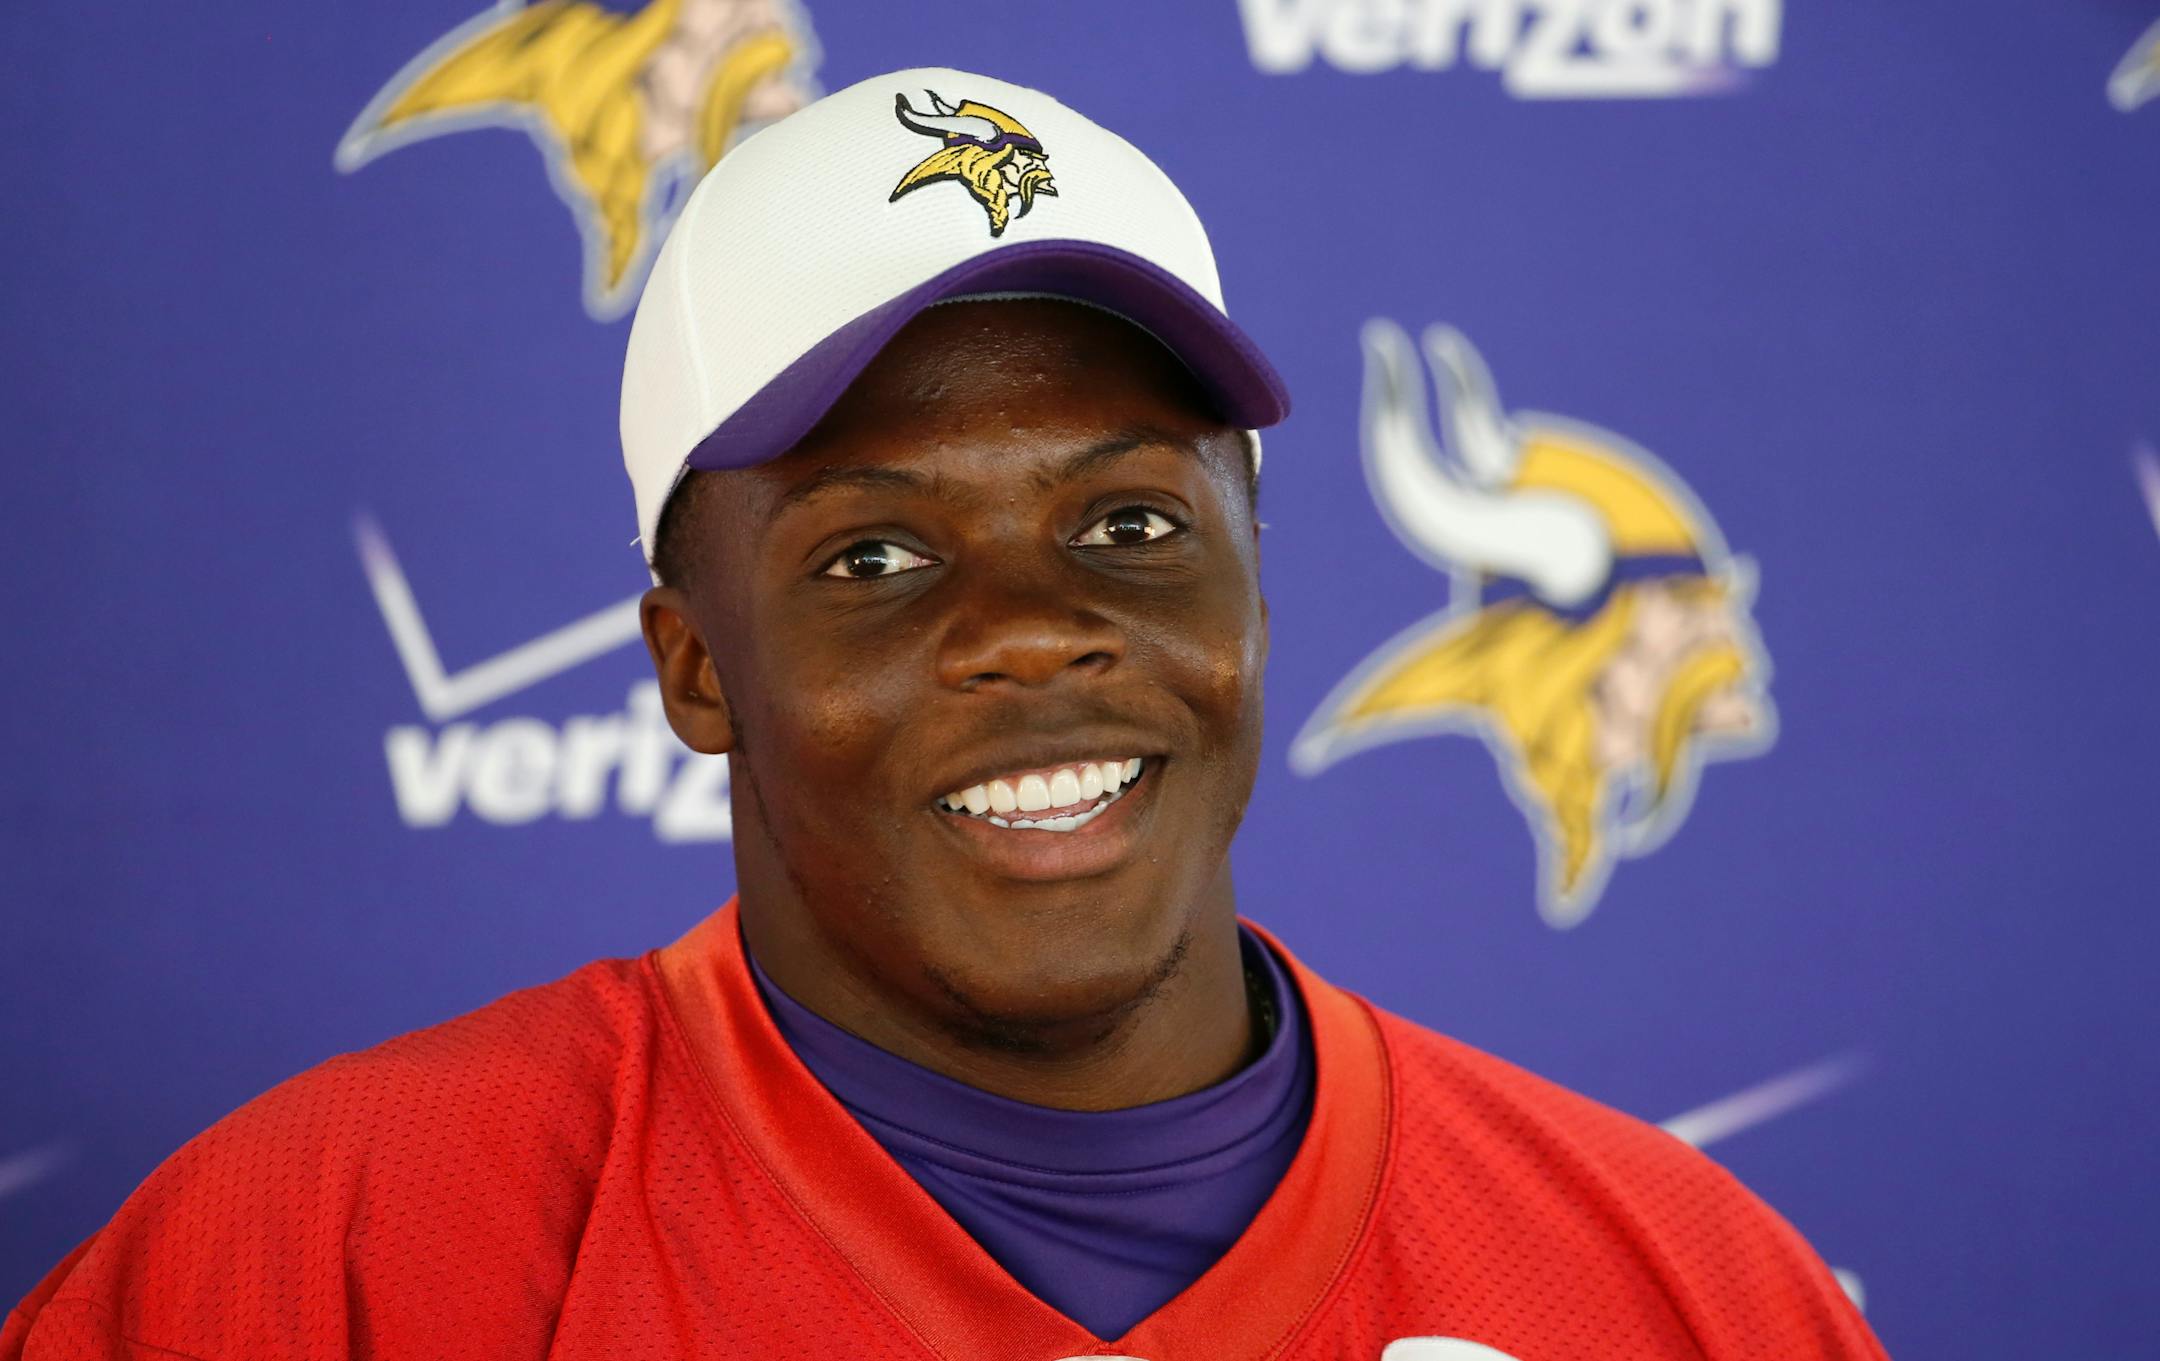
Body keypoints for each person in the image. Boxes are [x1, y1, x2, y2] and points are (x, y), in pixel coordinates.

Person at [2, 68, 1887, 1360]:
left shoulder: (1677, 1281)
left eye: (1131, 523)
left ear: (1254, 572)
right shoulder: (321, 1258)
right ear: (695, 668)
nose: (1037, 632)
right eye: (879, 558)